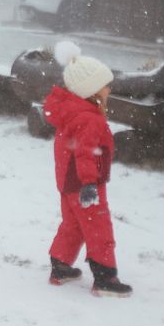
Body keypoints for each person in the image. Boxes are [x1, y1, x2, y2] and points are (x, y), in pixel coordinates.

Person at [42, 41, 132, 297]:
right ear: (91, 90)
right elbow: (85, 153)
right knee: (98, 227)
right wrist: (90, 183)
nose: (109, 89)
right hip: (84, 184)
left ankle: (60, 266)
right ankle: (105, 278)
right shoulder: (89, 118)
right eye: (105, 85)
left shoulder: (73, 113)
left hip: (69, 182)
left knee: (73, 225)